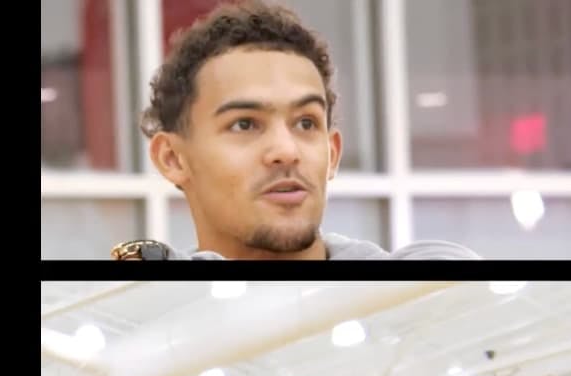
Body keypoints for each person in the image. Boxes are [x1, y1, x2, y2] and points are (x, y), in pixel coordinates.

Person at [117, 1, 480, 261]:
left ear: (333, 153)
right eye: (245, 124)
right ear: (173, 158)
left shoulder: (426, 294)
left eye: (306, 123)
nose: (286, 151)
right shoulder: (138, 317)